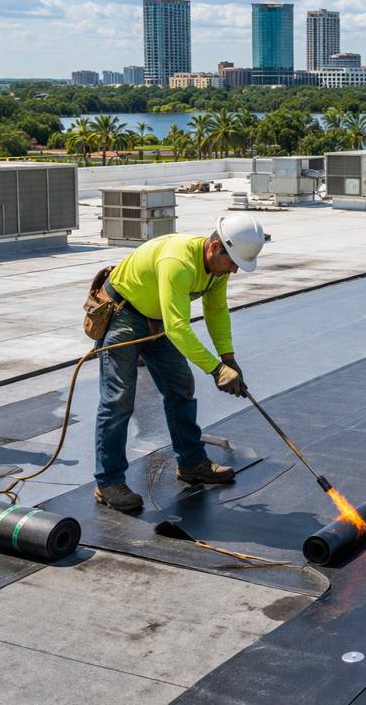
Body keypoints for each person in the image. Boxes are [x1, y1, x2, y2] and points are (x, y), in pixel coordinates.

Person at [91, 214, 265, 512]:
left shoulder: (217, 269)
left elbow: (216, 310)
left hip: (157, 317)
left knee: (181, 385)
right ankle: (108, 482)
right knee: (118, 400)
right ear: (215, 247)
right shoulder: (178, 262)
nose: (235, 269)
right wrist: (216, 369)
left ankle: (191, 462)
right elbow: (177, 327)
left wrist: (228, 358)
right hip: (124, 314)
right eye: (233, 262)